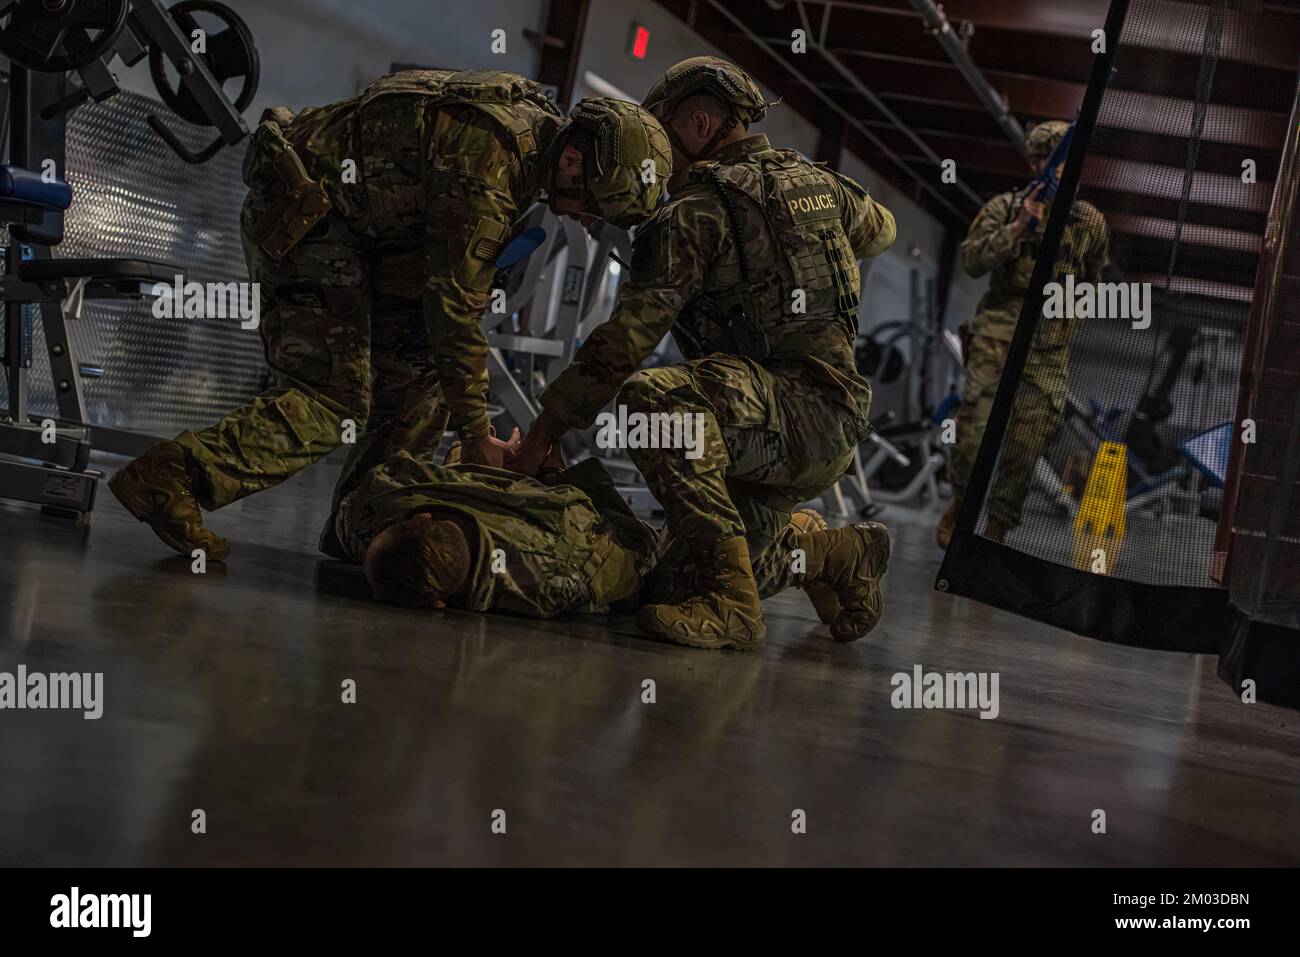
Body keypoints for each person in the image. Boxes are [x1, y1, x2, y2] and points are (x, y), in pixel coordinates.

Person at [110, 69, 671, 562]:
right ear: (573, 159)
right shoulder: (491, 163)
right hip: (307, 217)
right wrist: (476, 435)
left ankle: (363, 518)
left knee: (421, 371)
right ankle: (174, 476)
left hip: (356, 230)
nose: (589, 220)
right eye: (595, 204)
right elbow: (454, 308)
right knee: (335, 399)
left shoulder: (531, 143)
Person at [508, 57, 895, 651]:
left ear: (698, 121)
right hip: (825, 422)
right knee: (666, 581)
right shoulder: (825, 187)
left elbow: (624, 343)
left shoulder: (696, 210)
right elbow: (882, 230)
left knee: (652, 401)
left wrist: (543, 434)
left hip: (779, 419)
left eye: (661, 133)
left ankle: (731, 608)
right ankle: (835, 553)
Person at [338, 446, 886, 642]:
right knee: (693, 561)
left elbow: (627, 567)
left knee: (684, 574)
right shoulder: (388, 505)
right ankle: (814, 548)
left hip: (596, 527)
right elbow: (637, 557)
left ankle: (822, 549)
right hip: (581, 506)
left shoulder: (548, 580)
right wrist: (544, 473)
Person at [937, 120, 1110, 547]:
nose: (1062, 171)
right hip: (999, 332)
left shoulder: (1088, 221)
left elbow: (1094, 281)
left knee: (1029, 442)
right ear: (1036, 163)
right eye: (1052, 162)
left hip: (1048, 344)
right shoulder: (1008, 207)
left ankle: (995, 530)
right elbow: (973, 262)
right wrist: (1017, 230)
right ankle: (962, 501)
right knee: (972, 436)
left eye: (1069, 162)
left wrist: (1069, 317)